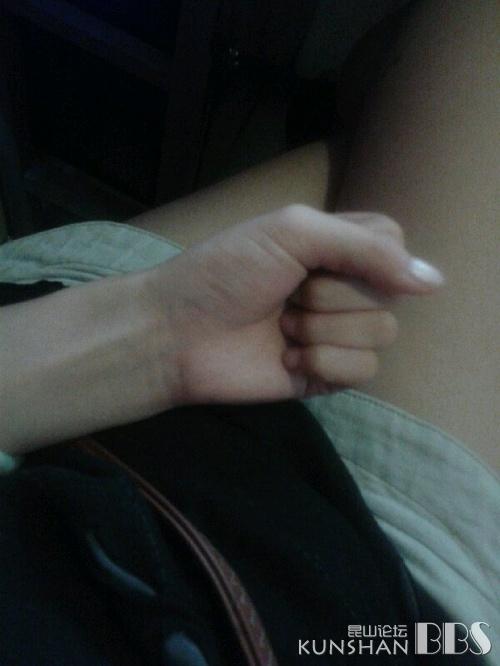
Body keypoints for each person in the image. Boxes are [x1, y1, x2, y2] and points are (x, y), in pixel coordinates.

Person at [0, 0, 498, 664]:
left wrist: (159, 332)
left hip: (51, 354)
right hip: (369, 595)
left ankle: (358, 90)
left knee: (400, 125)